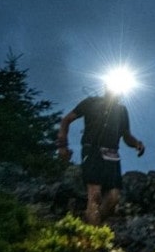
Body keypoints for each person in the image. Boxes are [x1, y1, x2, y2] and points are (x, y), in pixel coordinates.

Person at [56, 87, 145, 226]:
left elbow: (126, 136)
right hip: (92, 150)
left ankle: (90, 225)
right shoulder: (90, 102)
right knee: (95, 195)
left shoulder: (122, 111)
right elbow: (66, 120)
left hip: (112, 154)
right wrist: (62, 145)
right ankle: (93, 236)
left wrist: (137, 144)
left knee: (113, 198)